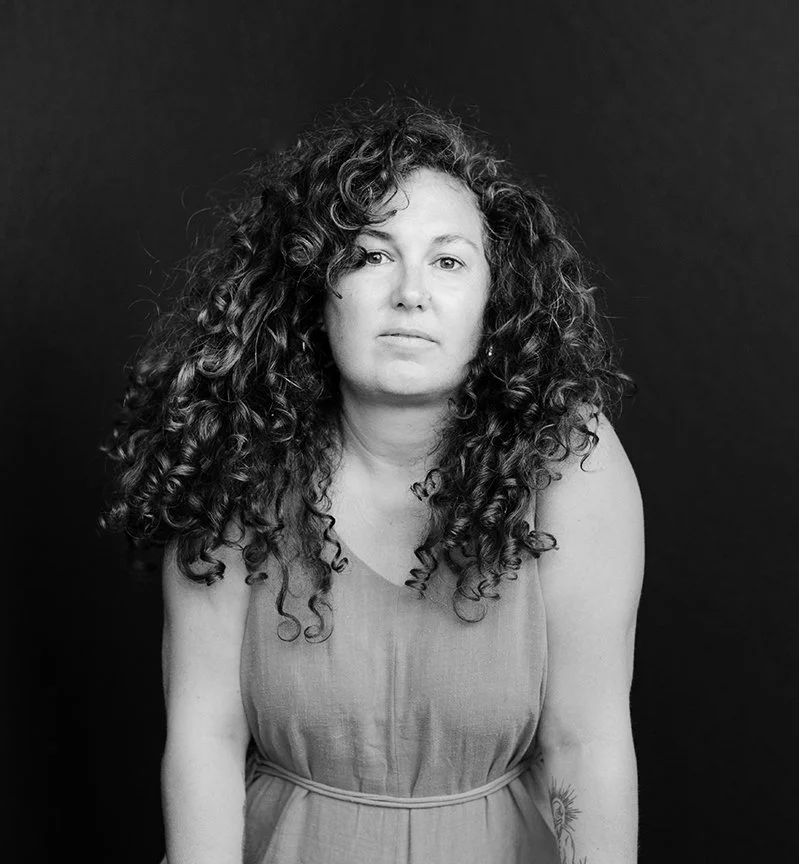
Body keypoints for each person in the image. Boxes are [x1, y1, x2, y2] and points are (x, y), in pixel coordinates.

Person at [100, 96, 644, 864]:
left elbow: (585, 744)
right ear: (315, 286)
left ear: (495, 301)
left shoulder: (569, 460)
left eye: (449, 261)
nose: (410, 293)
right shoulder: (236, 450)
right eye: (370, 255)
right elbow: (204, 740)